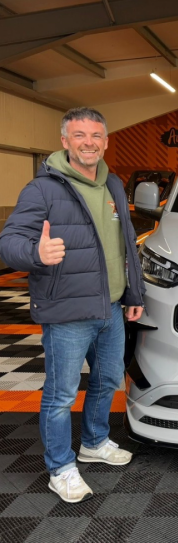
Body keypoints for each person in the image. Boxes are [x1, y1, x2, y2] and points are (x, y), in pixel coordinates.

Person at [0, 107, 145, 504]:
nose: (88, 143)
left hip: (110, 308)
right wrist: (36, 252)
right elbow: (9, 242)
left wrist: (133, 294)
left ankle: (94, 443)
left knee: (108, 380)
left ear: (106, 141)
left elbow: (124, 245)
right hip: (67, 313)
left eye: (96, 135)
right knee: (61, 395)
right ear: (65, 141)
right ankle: (61, 468)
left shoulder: (113, 183)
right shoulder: (42, 189)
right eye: (79, 135)